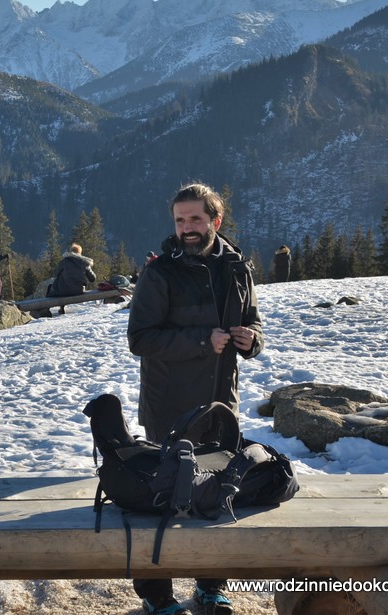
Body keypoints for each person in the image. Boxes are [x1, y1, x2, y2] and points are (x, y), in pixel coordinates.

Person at [126, 182, 264, 615]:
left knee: (218, 495)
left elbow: (254, 323)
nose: (187, 227)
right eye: (180, 220)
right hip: (169, 404)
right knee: (162, 499)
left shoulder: (238, 267)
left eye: (195, 219)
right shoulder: (161, 272)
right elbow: (141, 339)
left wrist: (250, 339)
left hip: (221, 403)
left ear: (215, 221)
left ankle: (210, 586)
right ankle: (157, 594)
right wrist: (204, 341)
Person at [49, 243, 96, 314]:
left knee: (53, 286)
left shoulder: (64, 261)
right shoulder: (85, 263)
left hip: (63, 291)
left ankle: (49, 309)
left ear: (70, 251)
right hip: (78, 291)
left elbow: (56, 273)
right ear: (80, 253)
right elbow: (93, 279)